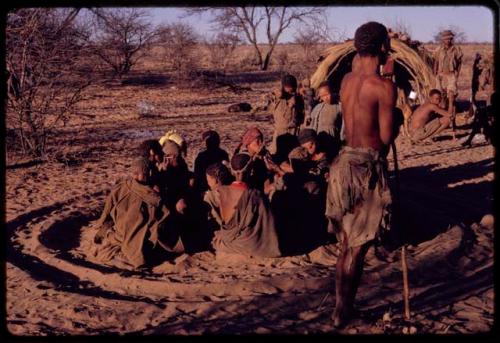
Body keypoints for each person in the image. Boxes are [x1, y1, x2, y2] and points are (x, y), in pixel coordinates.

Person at [326, 21, 395, 328]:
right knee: (358, 246)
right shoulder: (383, 87)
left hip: (343, 162)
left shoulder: (346, 81)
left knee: (347, 244)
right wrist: (398, 113)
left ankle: (342, 308)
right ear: (382, 47)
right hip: (365, 167)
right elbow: (386, 136)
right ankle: (343, 312)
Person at [92, 158, 184, 269]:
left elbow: (106, 211)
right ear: (148, 173)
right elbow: (163, 215)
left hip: (120, 230)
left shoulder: (121, 187)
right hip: (140, 235)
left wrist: (101, 224)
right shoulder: (152, 194)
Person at [210, 153, 282, 258]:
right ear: (250, 171)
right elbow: (267, 223)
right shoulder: (255, 195)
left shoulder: (221, 191)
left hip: (227, 242)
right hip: (250, 244)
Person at [433, 29, 463, 138]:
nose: (448, 41)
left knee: (451, 100)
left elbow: (459, 63)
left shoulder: (456, 50)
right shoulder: (438, 50)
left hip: (451, 76)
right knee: (439, 102)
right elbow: (435, 62)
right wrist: (435, 75)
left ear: (452, 39)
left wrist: (456, 75)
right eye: (446, 39)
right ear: (442, 40)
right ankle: (437, 126)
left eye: (449, 39)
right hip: (440, 76)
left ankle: (453, 127)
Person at [269, 74, 305, 154]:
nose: (290, 90)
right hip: (281, 132)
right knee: (278, 154)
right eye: (287, 87)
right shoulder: (278, 97)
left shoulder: (298, 97)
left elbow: (302, 113)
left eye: (292, 88)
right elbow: (276, 95)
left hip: (294, 131)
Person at [306, 81, 343, 158]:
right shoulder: (318, 108)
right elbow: (311, 127)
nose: (325, 98)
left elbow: (344, 128)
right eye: (322, 96)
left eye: (327, 94)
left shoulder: (340, 107)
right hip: (319, 145)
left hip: (333, 144)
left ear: (332, 92)